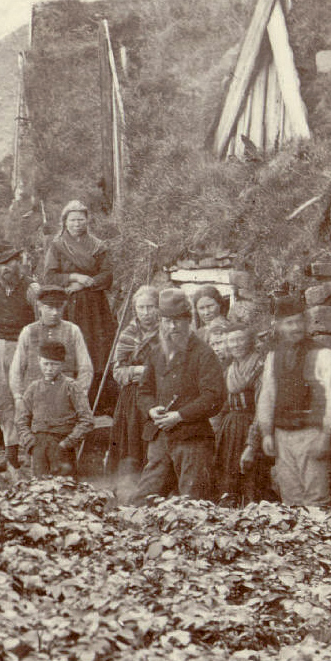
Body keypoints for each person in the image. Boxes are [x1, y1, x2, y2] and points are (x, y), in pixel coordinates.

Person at [254, 293, 331, 506]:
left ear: (305, 322)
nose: (295, 327)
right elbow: (267, 395)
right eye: (288, 323)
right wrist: (267, 432)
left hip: (311, 434)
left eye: (298, 321)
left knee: (316, 498)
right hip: (282, 436)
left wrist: (325, 434)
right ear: (278, 326)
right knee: (290, 498)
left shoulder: (322, 354)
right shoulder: (273, 357)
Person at [135, 287, 225, 500]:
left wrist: (180, 416)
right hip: (160, 439)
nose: (172, 327)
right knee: (145, 498)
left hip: (192, 440)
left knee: (193, 502)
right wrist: (151, 409)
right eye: (167, 321)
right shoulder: (157, 353)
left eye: (177, 321)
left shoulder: (204, 354)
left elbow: (214, 397)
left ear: (188, 321)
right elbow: (144, 390)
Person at [42, 200, 116, 411]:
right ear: (65, 222)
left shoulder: (98, 246)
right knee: (71, 347)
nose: (77, 224)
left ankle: (97, 401)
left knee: (97, 350)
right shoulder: (57, 246)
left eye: (81, 220)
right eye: (72, 220)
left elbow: (107, 275)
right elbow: (50, 276)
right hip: (70, 307)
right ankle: (68, 398)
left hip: (95, 306)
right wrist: (74, 277)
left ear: (87, 221)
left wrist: (85, 283)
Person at [0, 243, 36, 468]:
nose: (5, 268)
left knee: (27, 398)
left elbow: (40, 323)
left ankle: (33, 454)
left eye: (9, 262)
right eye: (0, 264)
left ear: (19, 262)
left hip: (24, 345)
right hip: (1, 345)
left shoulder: (31, 289)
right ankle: (11, 456)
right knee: (4, 399)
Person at [16, 339, 93, 476]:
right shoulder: (33, 388)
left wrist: (67, 443)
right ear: (39, 361)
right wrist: (30, 442)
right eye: (45, 364)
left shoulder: (72, 387)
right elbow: (21, 420)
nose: (49, 369)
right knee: (39, 490)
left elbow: (86, 420)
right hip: (38, 446)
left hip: (62, 446)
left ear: (62, 364)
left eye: (54, 364)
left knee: (65, 489)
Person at [10, 285, 93, 409]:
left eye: (59, 308)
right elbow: (17, 369)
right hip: (35, 399)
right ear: (39, 306)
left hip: (65, 398)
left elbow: (85, 367)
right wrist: (18, 397)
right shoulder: (28, 331)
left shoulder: (73, 330)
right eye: (49, 308)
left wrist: (81, 394)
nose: (55, 312)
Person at [108, 285, 160, 480]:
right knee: (132, 446)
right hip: (132, 401)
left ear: (158, 307)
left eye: (151, 307)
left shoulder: (167, 331)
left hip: (158, 397)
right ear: (134, 309)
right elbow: (117, 371)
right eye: (141, 308)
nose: (146, 313)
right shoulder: (127, 334)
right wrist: (139, 371)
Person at [216, 321, 264, 504]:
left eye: (240, 339)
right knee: (228, 480)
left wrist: (252, 443)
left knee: (252, 482)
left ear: (250, 341)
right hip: (229, 429)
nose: (235, 345)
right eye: (231, 341)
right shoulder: (229, 369)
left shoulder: (260, 366)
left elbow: (263, 407)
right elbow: (222, 405)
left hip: (251, 426)